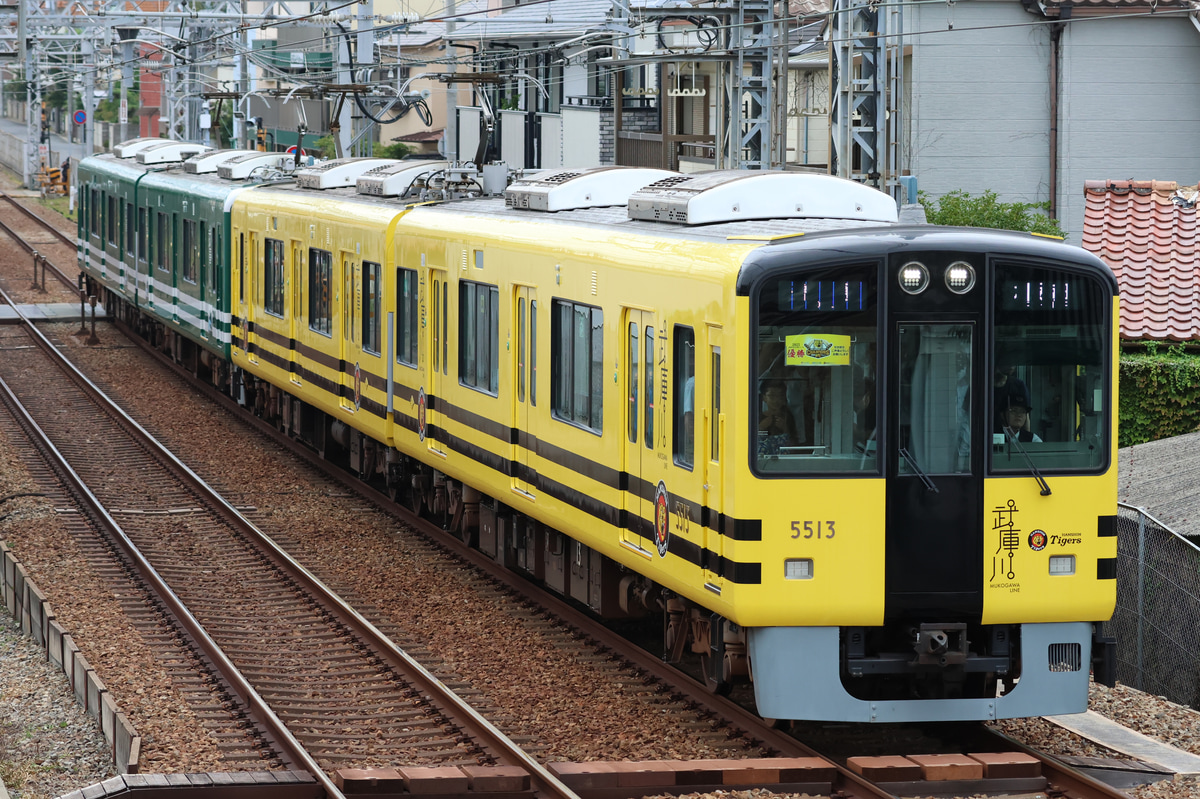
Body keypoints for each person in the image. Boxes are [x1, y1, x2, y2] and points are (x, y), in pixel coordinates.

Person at [758, 379, 799, 455]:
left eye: (780, 396)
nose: (776, 400)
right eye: (772, 396)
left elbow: (794, 443)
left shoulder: (788, 416)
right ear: (764, 398)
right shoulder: (758, 417)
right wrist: (761, 427)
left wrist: (785, 429)